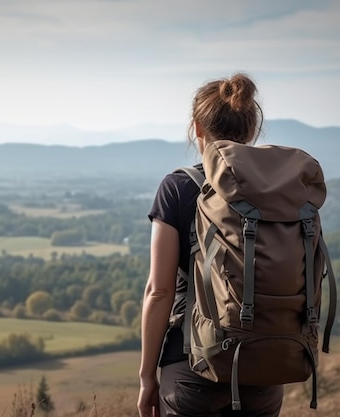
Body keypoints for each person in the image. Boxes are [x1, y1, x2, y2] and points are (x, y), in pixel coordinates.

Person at [137, 73, 284, 417]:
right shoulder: (278, 188)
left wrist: (147, 377)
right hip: (266, 365)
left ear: (197, 129)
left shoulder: (178, 187)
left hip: (192, 365)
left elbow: (158, 292)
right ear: (252, 131)